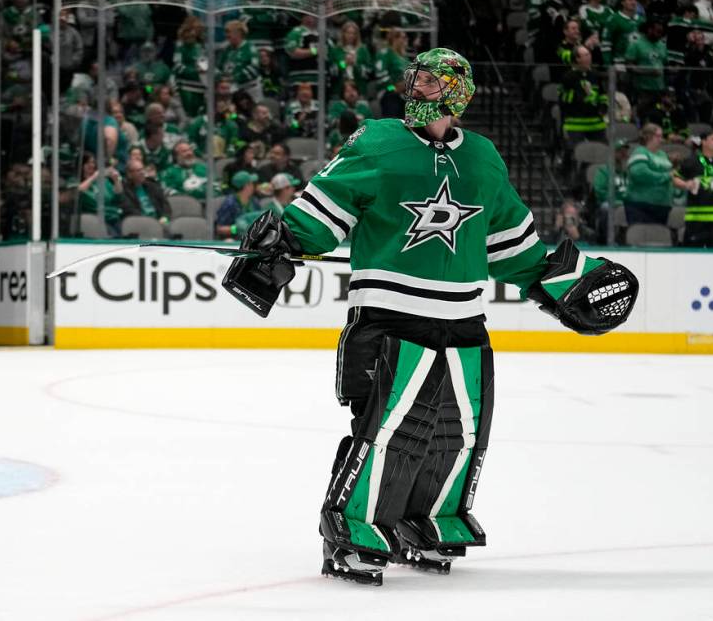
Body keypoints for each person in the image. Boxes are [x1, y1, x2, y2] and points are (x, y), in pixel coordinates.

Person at [224, 47, 637, 586]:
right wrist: (279, 247)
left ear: (457, 93)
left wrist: (564, 282)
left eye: (428, 83)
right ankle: (352, 528)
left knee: (457, 431)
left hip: (464, 320)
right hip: (389, 317)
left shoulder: (484, 157)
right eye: (414, 80)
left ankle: (428, 520)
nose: (414, 90)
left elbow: (512, 243)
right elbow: (322, 211)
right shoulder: (378, 140)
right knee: (388, 429)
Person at [625, 123, 674, 225]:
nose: (661, 139)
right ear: (648, 137)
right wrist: (665, 176)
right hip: (641, 207)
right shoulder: (640, 152)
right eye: (658, 136)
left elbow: (671, 173)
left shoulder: (662, 154)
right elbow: (640, 174)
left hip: (662, 207)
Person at [214, 170, 261, 239]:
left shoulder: (254, 201)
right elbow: (219, 229)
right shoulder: (230, 203)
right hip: (233, 240)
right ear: (246, 186)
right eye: (251, 184)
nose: (253, 186)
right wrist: (236, 229)